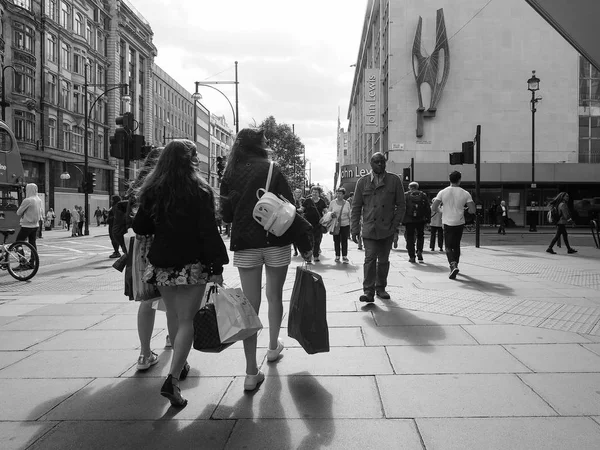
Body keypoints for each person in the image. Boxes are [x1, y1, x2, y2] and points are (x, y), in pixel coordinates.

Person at [133, 139, 228, 407]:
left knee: (174, 316)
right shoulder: (201, 190)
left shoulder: (154, 189)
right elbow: (208, 232)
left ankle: (180, 361)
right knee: (187, 320)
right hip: (191, 265)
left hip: (162, 264)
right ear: (190, 160)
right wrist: (216, 268)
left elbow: (140, 226)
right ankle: (172, 379)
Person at [220, 128, 293, 392]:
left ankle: (251, 371)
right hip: (276, 239)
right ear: (259, 144)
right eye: (265, 140)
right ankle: (273, 347)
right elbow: (291, 204)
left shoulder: (229, 172)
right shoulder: (273, 168)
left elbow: (226, 215)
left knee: (249, 306)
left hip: (246, 243)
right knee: (275, 296)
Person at [125, 147, 174, 373]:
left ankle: (144, 354)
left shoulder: (139, 186)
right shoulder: (169, 185)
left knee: (148, 301)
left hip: (141, 249)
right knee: (173, 298)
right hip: (164, 245)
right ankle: (174, 340)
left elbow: (134, 223)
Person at [350, 152, 405, 302]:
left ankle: (380, 287)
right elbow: (356, 207)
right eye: (376, 162)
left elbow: (401, 205)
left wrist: (394, 226)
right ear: (371, 164)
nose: (380, 165)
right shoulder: (362, 182)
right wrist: (354, 228)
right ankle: (368, 291)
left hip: (387, 228)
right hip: (369, 228)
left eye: (382, 162)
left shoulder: (394, 180)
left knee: (383, 260)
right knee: (369, 259)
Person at [432, 170, 476, 279]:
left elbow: (434, 207)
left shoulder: (442, 192)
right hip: (459, 222)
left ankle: (452, 264)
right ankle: (456, 264)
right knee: (456, 245)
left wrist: (441, 210)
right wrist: (466, 210)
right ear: (460, 180)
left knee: (448, 246)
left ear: (449, 179)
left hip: (447, 222)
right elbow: (473, 210)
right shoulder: (465, 193)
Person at [402, 181, 431, 263]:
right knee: (420, 235)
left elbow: (402, 207)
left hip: (409, 220)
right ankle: (419, 251)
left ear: (409, 187)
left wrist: (401, 219)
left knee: (410, 237)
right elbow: (427, 208)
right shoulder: (423, 195)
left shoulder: (406, 195)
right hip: (420, 219)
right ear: (417, 187)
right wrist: (428, 219)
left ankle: (412, 256)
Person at [302, 185, 327, 263]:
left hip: (318, 225)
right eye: (313, 192)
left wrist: (327, 216)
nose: (314, 193)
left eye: (316, 192)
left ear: (319, 193)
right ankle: (308, 258)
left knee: (317, 240)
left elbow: (326, 211)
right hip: (308, 224)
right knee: (308, 241)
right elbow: (302, 209)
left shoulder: (322, 201)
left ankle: (316, 256)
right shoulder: (307, 201)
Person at [16, 183, 43, 250]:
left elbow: (18, 212)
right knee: (32, 242)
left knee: (18, 243)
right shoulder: (39, 200)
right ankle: (33, 259)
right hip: (35, 225)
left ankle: (22, 258)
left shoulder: (28, 200)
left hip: (26, 225)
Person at [328, 187, 351, 263]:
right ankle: (337, 255)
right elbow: (329, 212)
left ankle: (344, 256)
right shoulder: (332, 203)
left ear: (343, 195)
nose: (338, 195)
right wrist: (332, 215)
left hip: (345, 224)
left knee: (344, 240)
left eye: (340, 194)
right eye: (337, 193)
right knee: (336, 240)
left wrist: (351, 224)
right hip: (335, 224)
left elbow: (349, 214)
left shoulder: (347, 203)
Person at [292, 188, 305, 256]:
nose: (298, 194)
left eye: (299, 192)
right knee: (294, 236)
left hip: (302, 219)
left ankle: (302, 249)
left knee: (302, 235)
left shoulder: (303, 200)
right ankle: (295, 250)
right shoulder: (292, 200)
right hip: (293, 219)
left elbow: (305, 209)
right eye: (296, 192)